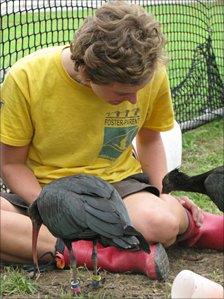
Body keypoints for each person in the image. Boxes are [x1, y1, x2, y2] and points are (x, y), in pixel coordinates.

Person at [0, 0, 223, 281]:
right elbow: (11, 165)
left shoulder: (151, 74)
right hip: (43, 191)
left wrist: (163, 195)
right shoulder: (26, 77)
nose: (132, 100)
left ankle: (194, 227)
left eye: (137, 91)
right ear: (87, 72)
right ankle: (109, 255)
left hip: (116, 189)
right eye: (121, 93)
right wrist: (60, 211)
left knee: (160, 221)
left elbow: (151, 139)